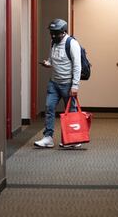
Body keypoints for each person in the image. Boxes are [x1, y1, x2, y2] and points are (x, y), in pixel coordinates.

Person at [34, 18, 82, 148]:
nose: (53, 36)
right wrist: (47, 63)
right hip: (54, 83)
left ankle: (71, 139)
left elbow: (77, 66)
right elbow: (52, 60)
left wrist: (75, 86)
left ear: (64, 32)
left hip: (67, 84)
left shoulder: (72, 44)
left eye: (56, 33)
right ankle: (48, 138)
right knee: (49, 108)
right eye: (52, 33)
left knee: (70, 112)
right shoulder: (53, 42)